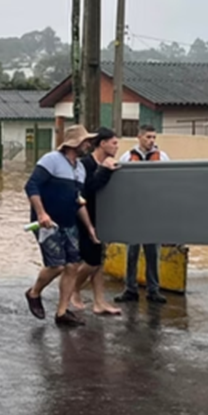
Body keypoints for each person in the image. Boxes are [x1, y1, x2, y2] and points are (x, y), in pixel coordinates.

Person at [24, 125, 98, 327]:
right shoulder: (51, 160)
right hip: (48, 223)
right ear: (74, 144)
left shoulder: (80, 168)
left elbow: (77, 200)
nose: (89, 145)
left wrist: (90, 228)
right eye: (86, 142)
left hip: (69, 222)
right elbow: (31, 185)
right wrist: (41, 213)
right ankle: (34, 293)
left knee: (73, 265)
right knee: (56, 265)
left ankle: (62, 312)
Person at [114, 125, 169, 304]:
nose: (151, 140)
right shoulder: (127, 157)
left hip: (154, 212)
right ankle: (130, 289)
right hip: (133, 212)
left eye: (154, 137)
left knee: (153, 252)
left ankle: (153, 290)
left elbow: (170, 183)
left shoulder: (163, 158)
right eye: (148, 137)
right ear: (139, 137)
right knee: (132, 252)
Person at [71, 127, 122, 316]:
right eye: (114, 143)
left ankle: (99, 302)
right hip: (84, 217)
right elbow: (87, 191)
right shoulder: (85, 164)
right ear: (102, 144)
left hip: (103, 218)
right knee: (91, 261)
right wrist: (104, 170)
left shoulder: (111, 163)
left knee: (99, 263)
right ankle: (73, 288)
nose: (117, 147)